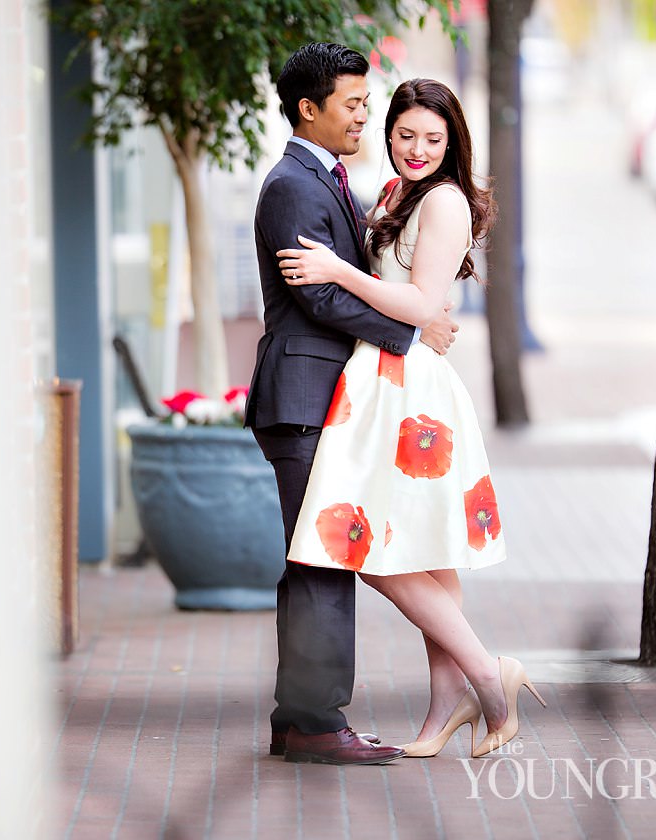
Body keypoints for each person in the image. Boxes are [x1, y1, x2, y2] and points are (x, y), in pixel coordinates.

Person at [275, 77, 545, 760]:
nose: (418, 149)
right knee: (419, 545)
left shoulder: (446, 201)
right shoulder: (397, 195)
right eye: (405, 135)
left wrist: (337, 270)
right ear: (389, 133)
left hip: (406, 390)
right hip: (380, 377)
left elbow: (424, 304)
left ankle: (487, 673)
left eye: (433, 138)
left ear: (452, 141)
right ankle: (445, 707)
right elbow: (417, 310)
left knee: (366, 548)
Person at [246, 43, 460, 766]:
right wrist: (413, 327)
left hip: (324, 399)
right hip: (302, 396)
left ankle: (299, 717)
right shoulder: (292, 187)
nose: (367, 115)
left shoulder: (328, 179)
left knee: (322, 558)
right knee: (322, 561)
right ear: (310, 108)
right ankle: (313, 721)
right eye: (354, 104)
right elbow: (320, 293)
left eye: (370, 104)